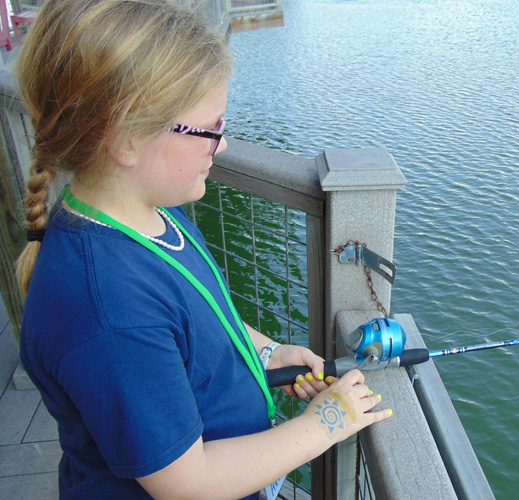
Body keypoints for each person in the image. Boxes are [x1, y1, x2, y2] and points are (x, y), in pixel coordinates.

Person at [14, 1, 391, 499]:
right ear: (126, 139)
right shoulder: (107, 308)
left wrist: (268, 351)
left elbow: (200, 321)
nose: (225, 145)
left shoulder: (149, 213)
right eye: (210, 129)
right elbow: (188, 482)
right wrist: (327, 422)